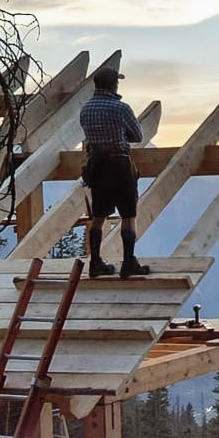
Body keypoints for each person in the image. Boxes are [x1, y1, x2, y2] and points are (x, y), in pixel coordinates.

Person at [80, 67, 150, 279]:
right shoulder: (121, 108)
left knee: (99, 216)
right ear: (113, 84)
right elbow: (137, 136)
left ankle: (95, 263)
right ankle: (128, 262)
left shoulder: (86, 110)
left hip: (97, 166)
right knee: (128, 215)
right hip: (119, 164)